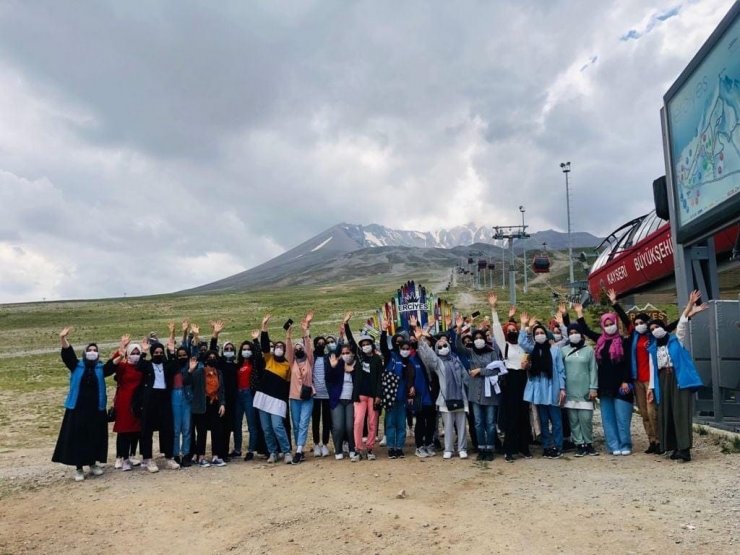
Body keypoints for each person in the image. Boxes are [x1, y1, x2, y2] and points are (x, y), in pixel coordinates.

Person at [648, 290, 706, 462]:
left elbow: (681, 323)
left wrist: (690, 305)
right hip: (663, 380)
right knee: (667, 412)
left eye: (657, 327)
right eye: (652, 329)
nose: (655, 330)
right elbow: (653, 369)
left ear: (663, 327)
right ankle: (673, 446)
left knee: (680, 412)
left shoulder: (675, 340)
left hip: (678, 379)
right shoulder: (652, 349)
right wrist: (651, 388)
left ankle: (685, 449)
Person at [52, 327, 113, 481]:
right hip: (77, 409)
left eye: (95, 350)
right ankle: (79, 468)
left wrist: (122, 349)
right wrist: (63, 338)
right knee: (78, 438)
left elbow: (113, 365)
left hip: (96, 409)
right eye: (89, 350)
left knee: (93, 436)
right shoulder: (76, 365)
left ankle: (92, 464)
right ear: (85, 353)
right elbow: (67, 354)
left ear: (98, 354)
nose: (92, 351)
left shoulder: (100, 368)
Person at [575, 300, 633, 456]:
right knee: (607, 418)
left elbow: (628, 363)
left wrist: (626, 380)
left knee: (622, 417)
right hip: (605, 385)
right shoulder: (600, 341)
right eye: (605, 324)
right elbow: (585, 330)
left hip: (622, 385)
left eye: (611, 323)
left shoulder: (624, 341)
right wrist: (579, 313)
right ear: (602, 326)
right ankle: (613, 445)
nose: (609, 326)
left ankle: (625, 444)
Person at [454, 309, 504, 462]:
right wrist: (458, 331)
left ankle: (490, 449)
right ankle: (481, 448)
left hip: (490, 395)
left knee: (490, 423)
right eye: (475, 338)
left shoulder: (492, 352)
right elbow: (458, 347)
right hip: (475, 393)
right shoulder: (471, 352)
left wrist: (480, 371)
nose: (477, 340)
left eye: (479, 337)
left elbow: (497, 370)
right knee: (477, 423)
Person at [414, 327, 470, 460]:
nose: (443, 348)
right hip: (445, 399)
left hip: (460, 397)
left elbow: (465, 378)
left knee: (461, 425)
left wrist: (471, 393)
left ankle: (462, 448)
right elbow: (429, 355)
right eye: (440, 347)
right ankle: (448, 449)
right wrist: (420, 340)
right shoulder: (438, 363)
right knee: (448, 425)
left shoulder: (456, 361)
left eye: (445, 345)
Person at [518, 313, 566, 459]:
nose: (539, 335)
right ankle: (547, 446)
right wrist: (525, 326)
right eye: (536, 333)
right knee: (543, 420)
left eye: (541, 332)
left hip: (553, 388)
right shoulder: (533, 349)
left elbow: (560, 369)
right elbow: (521, 342)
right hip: (539, 389)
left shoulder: (555, 350)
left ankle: (558, 446)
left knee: (556, 420)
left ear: (546, 334)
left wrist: (562, 388)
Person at [490, 300, 532, 462]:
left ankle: (524, 447)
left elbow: (529, 357)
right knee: (511, 415)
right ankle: (509, 449)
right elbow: (496, 330)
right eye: (511, 330)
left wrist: (528, 364)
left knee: (524, 414)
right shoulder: (504, 345)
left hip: (523, 379)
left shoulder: (522, 345)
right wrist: (494, 309)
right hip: (510, 380)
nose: (513, 332)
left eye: (515, 329)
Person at [253, 314, 294, 464]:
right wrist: (264, 327)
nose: (278, 349)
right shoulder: (268, 359)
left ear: (284, 350)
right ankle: (272, 452)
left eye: (280, 347)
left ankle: (287, 451)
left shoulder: (287, 365)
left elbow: (288, 384)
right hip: (263, 397)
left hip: (278, 400)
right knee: (267, 428)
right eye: (276, 347)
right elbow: (264, 345)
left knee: (278, 427)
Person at [343, 312, 383, 461]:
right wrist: (346, 324)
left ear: (372, 345)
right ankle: (358, 449)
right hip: (360, 396)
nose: (365, 346)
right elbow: (351, 342)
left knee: (372, 422)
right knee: (358, 422)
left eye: (368, 344)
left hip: (373, 396)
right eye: (363, 344)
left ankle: (370, 448)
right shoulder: (359, 356)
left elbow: (380, 378)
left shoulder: (377, 359)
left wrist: (379, 395)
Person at [104, 335, 144, 471]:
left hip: (137, 402)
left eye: (138, 353)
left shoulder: (141, 367)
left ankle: (132, 454)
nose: (136, 355)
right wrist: (121, 349)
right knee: (123, 430)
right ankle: (120, 457)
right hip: (124, 401)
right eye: (133, 353)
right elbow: (111, 366)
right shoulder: (123, 366)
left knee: (135, 430)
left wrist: (144, 352)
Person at [138, 339, 179, 472]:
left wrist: (172, 351)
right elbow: (139, 366)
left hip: (164, 398)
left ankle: (169, 457)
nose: (158, 354)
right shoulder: (148, 365)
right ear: (152, 353)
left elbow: (175, 366)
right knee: (147, 429)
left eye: (161, 352)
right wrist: (143, 352)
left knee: (167, 428)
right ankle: (148, 459)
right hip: (150, 398)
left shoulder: (166, 364)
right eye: (156, 352)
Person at [561, 324, 599, 457]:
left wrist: (593, 387)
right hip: (569, 390)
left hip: (585, 389)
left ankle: (588, 443)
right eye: (570, 332)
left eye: (576, 332)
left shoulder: (589, 350)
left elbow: (593, 369)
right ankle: (579, 444)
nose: (573, 334)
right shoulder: (563, 350)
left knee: (586, 419)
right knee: (573, 419)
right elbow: (560, 370)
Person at [380, 322, 416, 459]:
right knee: (390, 423)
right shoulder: (391, 356)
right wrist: (384, 331)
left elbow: (411, 376)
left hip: (402, 397)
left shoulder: (408, 361)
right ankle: (391, 448)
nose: (405, 349)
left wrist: (411, 387)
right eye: (402, 347)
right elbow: (383, 346)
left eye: (407, 347)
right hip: (390, 396)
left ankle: (399, 447)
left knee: (401, 424)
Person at [207, 321, 238, 460]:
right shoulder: (220, 363)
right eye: (227, 349)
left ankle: (224, 453)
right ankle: (217, 453)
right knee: (219, 427)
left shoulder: (237, 365)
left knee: (228, 427)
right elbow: (212, 351)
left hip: (234, 399)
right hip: (221, 399)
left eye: (231, 349)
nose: (229, 351)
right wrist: (215, 334)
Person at [165, 325, 194, 468]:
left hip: (187, 396)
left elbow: (187, 345)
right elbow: (170, 347)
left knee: (187, 428)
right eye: (179, 355)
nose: (182, 356)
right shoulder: (172, 365)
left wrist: (186, 332)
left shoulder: (190, 365)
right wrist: (172, 332)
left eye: (184, 355)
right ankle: (176, 454)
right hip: (174, 396)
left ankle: (186, 454)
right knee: (176, 428)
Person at [191, 352, 227, 467]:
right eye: (210, 358)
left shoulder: (219, 373)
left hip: (215, 403)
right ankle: (200, 457)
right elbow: (188, 382)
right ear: (205, 360)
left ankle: (216, 456)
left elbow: (221, 390)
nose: (212, 359)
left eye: (214, 357)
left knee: (217, 430)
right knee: (201, 431)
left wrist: (222, 403)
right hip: (202, 404)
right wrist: (190, 371)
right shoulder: (199, 372)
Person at [288, 313, 316, 464]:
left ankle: (298, 451)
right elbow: (289, 350)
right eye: (296, 347)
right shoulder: (292, 362)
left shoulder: (309, 361)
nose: (298, 349)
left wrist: (306, 331)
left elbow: (309, 347)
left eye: (300, 347)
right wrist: (289, 336)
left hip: (307, 397)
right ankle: (300, 447)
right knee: (296, 424)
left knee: (304, 422)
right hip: (294, 397)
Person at [326, 343, 357, 460]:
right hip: (337, 400)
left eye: (347, 353)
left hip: (351, 400)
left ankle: (352, 448)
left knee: (350, 427)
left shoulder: (356, 365)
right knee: (338, 427)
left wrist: (352, 370)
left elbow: (359, 380)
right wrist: (332, 366)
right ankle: (338, 449)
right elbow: (328, 378)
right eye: (343, 353)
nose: (345, 355)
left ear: (352, 353)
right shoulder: (336, 365)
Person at [234, 333, 261, 461]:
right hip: (238, 395)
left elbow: (258, 353)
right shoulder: (237, 364)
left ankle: (251, 450)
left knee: (251, 424)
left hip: (249, 394)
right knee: (237, 424)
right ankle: (237, 449)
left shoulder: (254, 364)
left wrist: (255, 340)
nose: (246, 351)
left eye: (248, 349)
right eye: (244, 349)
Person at [311, 335, 333, 458]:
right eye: (318, 343)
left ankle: (325, 444)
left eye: (323, 343)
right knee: (315, 420)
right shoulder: (311, 358)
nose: (321, 345)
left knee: (326, 420)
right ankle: (316, 444)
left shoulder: (328, 357)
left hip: (327, 394)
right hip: (314, 395)